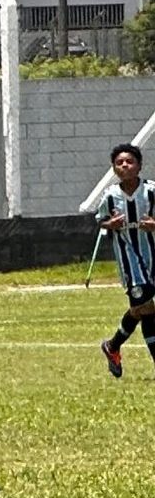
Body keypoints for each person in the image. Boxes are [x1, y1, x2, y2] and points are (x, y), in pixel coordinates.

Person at [95, 142, 155, 378]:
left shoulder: (151, 191)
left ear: (139, 166)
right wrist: (110, 224)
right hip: (130, 261)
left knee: (140, 310)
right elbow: (99, 221)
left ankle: (112, 345)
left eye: (129, 161)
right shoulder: (110, 196)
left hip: (153, 257)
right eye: (119, 163)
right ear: (114, 168)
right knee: (147, 308)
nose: (124, 165)